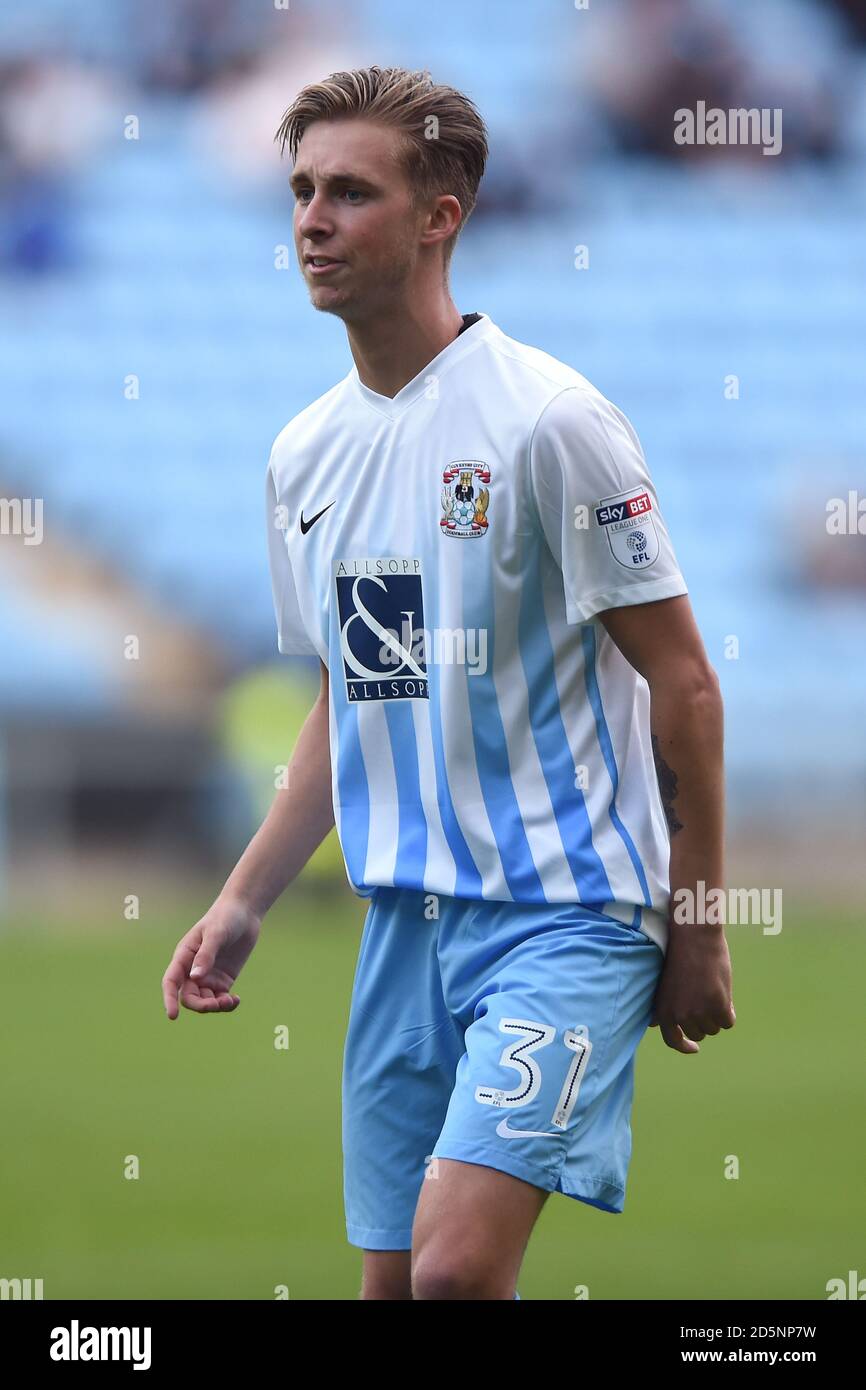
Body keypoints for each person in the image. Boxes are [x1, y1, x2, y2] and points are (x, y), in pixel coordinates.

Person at [161, 64, 735, 1301]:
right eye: (302, 190)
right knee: (392, 1291)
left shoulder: (548, 423)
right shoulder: (304, 455)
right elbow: (357, 697)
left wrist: (697, 918)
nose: (311, 219)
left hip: (565, 912)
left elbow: (683, 682)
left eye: (351, 192)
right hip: (404, 929)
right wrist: (245, 898)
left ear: (440, 217)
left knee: (454, 1277)